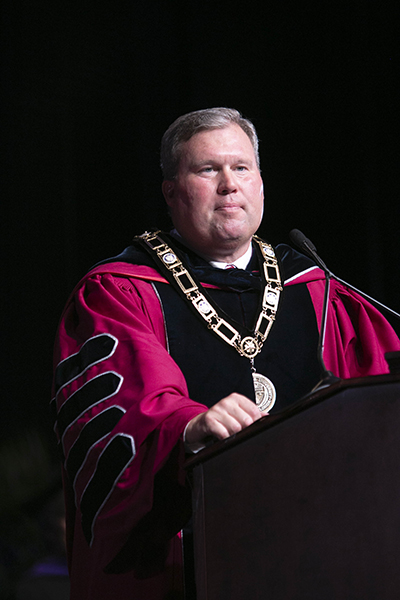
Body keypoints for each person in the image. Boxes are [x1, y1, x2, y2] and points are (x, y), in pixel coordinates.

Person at [51, 108, 400, 600]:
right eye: (207, 170)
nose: (229, 185)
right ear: (171, 192)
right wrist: (187, 429)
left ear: (260, 183)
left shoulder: (317, 287)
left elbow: (380, 392)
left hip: (322, 552)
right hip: (193, 561)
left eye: (241, 168)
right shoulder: (119, 291)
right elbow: (122, 408)